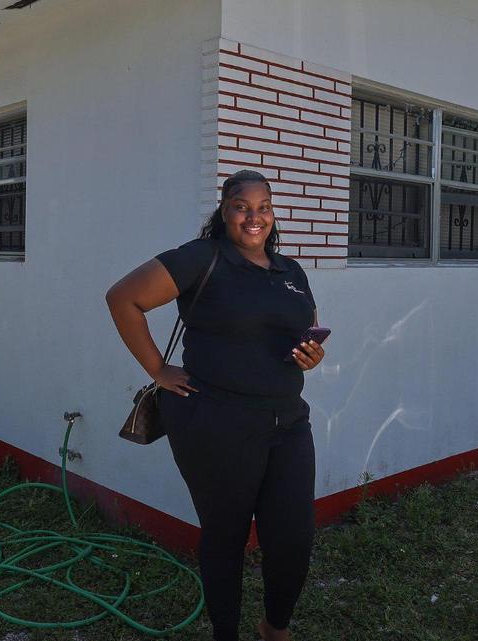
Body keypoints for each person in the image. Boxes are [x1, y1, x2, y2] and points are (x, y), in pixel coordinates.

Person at [105, 170, 325, 641]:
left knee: (293, 538)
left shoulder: (291, 271)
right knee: (226, 537)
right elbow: (123, 298)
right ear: (223, 210)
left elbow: (305, 332)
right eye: (242, 205)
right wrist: (158, 371)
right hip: (215, 422)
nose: (254, 216)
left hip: (287, 421)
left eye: (263, 206)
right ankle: (226, 633)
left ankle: (274, 628)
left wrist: (312, 356)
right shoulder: (201, 259)